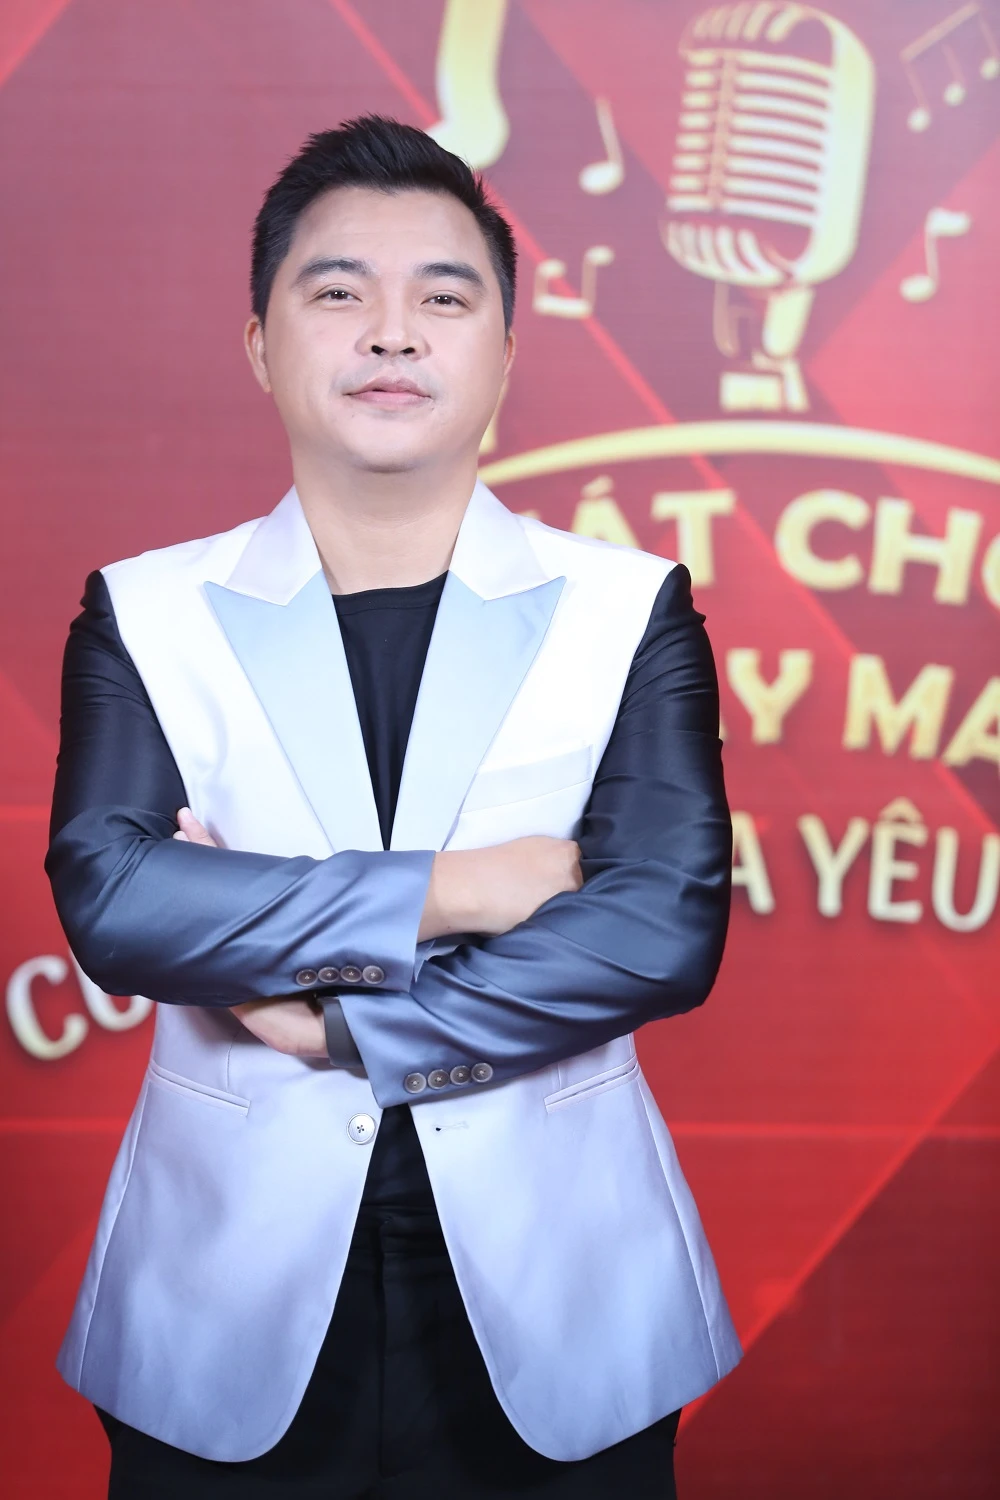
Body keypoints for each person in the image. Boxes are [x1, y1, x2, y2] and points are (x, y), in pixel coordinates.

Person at [46, 116, 740, 1499]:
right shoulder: (146, 610)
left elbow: (656, 931)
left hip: (564, 1299)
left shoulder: (628, 607)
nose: (391, 333)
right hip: (220, 1295)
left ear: (505, 352)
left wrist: (344, 1028)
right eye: (338, 291)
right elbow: (118, 905)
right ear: (260, 344)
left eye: (443, 296)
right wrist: (464, 890)